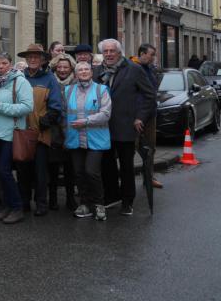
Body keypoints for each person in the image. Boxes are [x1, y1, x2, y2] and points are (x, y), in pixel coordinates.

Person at [94, 38, 156, 216]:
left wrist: (140, 117)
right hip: (102, 126)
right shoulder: (97, 71)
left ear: (119, 52)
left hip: (126, 125)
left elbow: (149, 95)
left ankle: (128, 201)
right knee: (106, 164)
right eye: (105, 51)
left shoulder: (134, 69)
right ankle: (112, 196)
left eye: (112, 51)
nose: (109, 54)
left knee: (127, 165)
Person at [16, 44, 63, 217]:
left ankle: (41, 203)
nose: (33, 60)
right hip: (22, 131)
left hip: (41, 133)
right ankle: (24, 202)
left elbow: (56, 106)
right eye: (30, 57)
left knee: (40, 171)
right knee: (23, 170)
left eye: (36, 57)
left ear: (42, 59)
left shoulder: (50, 79)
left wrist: (46, 121)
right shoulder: (19, 77)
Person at [0, 52, 33, 225]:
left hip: (10, 133)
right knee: (0, 172)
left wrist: (1, 107)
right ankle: (7, 206)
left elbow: (27, 107)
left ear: (10, 64)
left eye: (4, 63)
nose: (0, 66)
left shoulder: (20, 81)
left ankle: (17, 207)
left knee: (5, 171)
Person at [64, 61, 111, 220]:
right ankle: (84, 204)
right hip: (75, 139)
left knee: (92, 172)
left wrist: (86, 121)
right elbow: (63, 114)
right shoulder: (68, 90)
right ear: (76, 74)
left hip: (96, 139)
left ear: (91, 72)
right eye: (80, 70)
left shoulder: (101, 90)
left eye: (86, 69)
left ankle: (99, 205)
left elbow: (106, 114)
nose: (83, 72)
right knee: (79, 173)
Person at [48, 52, 78, 211]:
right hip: (53, 132)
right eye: (59, 67)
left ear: (71, 68)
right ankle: (52, 198)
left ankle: (70, 198)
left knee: (70, 169)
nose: (62, 69)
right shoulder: (50, 81)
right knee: (52, 169)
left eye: (65, 67)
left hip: (71, 130)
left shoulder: (77, 83)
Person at [137, 43, 162, 189]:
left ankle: (149, 177)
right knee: (134, 147)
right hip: (137, 116)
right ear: (142, 53)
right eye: (151, 54)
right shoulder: (134, 69)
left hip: (150, 114)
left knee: (150, 147)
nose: (153, 58)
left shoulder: (151, 70)